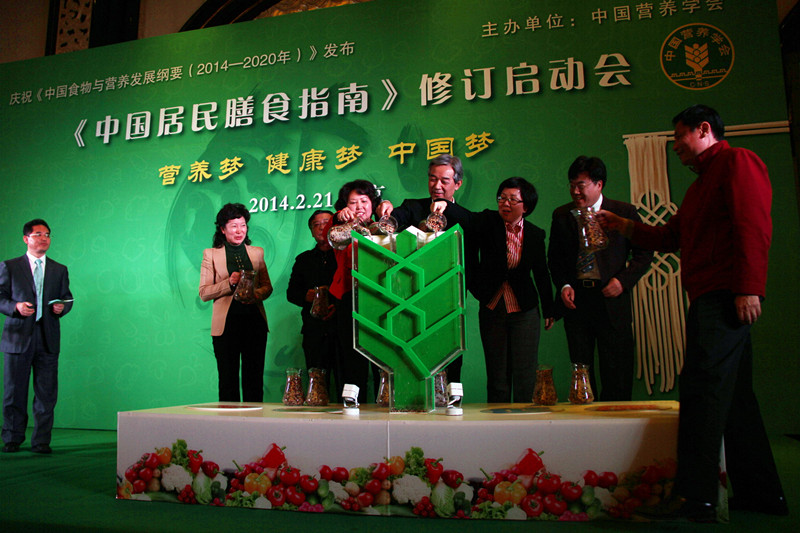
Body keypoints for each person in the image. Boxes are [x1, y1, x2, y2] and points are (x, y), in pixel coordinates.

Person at [598, 104, 787, 521]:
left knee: (702, 391)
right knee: (735, 399)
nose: (675, 147)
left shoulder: (738, 162)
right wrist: (624, 226)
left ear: (704, 130)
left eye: (679, 137)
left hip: (725, 295)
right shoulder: (700, 184)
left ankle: (695, 497)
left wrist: (749, 288)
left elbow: (753, 225)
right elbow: (671, 237)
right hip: (709, 296)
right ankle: (762, 495)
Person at [547, 156, 653, 401]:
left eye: (581, 185)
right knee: (581, 372)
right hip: (577, 301)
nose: (575, 191)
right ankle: (585, 420)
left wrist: (623, 281)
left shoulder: (623, 212)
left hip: (612, 299)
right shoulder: (562, 215)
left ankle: (616, 421)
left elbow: (644, 253)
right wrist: (564, 285)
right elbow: (555, 258)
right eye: (571, 185)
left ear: (599, 184)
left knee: (617, 371)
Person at [376, 153, 473, 382]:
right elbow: (390, 222)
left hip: (449, 297)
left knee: (450, 355)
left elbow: (472, 226)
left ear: (458, 184)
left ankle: (451, 397)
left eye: (444, 181)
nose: (437, 186)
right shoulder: (412, 207)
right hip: (412, 298)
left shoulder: (464, 216)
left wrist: (448, 208)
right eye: (432, 179)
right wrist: (384, 209)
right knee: (415, 359)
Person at [468, 178, 555, 403]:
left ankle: (524, 421)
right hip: (492, 306)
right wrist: (477, 289)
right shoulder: (488, 223)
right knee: (497, 376)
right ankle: (498, 420)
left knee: (525, 375)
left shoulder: (535, 234)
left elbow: (541, 273)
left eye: (513, 200)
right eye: (502, 198)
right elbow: (470, 257)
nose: (505, 204)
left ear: (525, 206)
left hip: (525, 309)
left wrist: (549, 309)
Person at [1, 219, 73, 454]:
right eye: (38, 234)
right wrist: (15, 307)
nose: (44, 238)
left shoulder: (59, 269)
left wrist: (62, 307)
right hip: (17, 338)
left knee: (46, 393)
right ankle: (12, 438)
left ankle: (41, 441)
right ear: (26, 239)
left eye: (47, 235)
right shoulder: (10, 266)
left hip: (47, 337)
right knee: (14, 391)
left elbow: (67, 297)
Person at [199, 203, 272, 402]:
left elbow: (267, 286)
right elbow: (204, 292)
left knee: (254, 379)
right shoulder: (210, 254)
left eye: (243, 225)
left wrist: (255, 295)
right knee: (228, 380)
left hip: (254, 322)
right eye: (233, 226)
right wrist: (229, 284)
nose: (239, 230)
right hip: (226, 326)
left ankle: (255, 420)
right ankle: (228, 421)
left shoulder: (257, 252)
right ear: (223, 229)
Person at [327, 180, 381, 402]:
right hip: (349, 297)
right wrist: (341, 216)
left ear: (373, 204)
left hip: (380, 299)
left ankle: (384, 404)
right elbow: (333, 228)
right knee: (352, 359)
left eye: (364, 201)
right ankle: (352, 406)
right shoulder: (340, 228)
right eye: (353, 202)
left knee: (381, 358)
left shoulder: (382, 227)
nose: (359, 206)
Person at [286, 210, 339, 398]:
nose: (322, 227)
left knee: (346, 381)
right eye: (317, 224)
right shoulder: (303, 260)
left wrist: (337, 305)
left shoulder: (346, 255)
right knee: (316, 385)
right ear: (311, 231)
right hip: (313, 331)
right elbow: (291, 294)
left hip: (342, 329)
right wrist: (306, 296)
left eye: (326, 222)